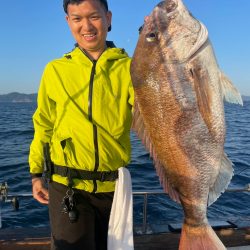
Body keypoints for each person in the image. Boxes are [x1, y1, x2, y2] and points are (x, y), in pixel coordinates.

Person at [29, 0, 134, 249]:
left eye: (94, 17)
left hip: (115, 189)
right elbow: (43, 123)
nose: (86, 26)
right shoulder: (55, 70)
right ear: (68, 22)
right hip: (68, 187)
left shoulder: (131, 69)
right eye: (77, 18)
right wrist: (36, 174)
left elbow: (153, 113)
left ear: (108, 18)